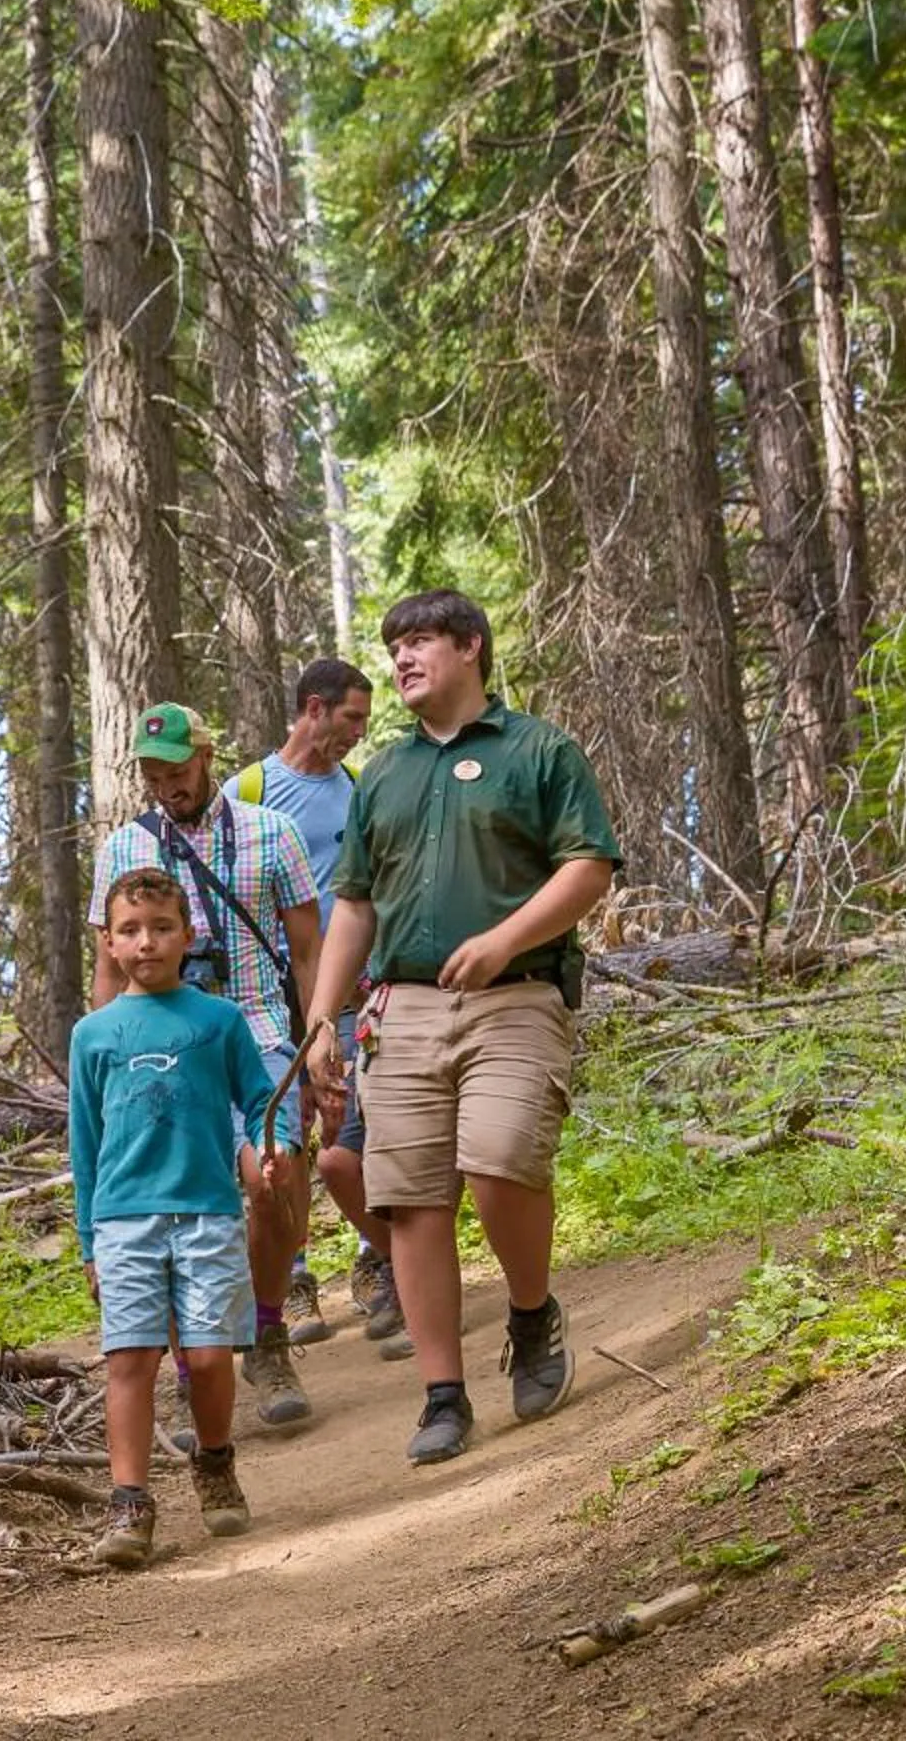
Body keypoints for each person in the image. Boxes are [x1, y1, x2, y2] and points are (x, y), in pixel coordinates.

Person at [300, 591, 620, 1465]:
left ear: (471, 647)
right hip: (401, 1011)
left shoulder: (538, 751)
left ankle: (529, 1311)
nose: (403, 659)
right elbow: (355, 904)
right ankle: (443, 1393)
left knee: (499, 1157)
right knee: (408, 1197)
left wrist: (503, 940)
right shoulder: (387, 777)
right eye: (394, 647)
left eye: (421, 642)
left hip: (518, 994)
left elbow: (589, 866)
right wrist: (322, 1017)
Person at [91, 703, 325, 1427]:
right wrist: (103, 1059)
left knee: (272, 1176)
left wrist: (319, 1038)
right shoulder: (124, 850)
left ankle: (265, 1330)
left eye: (178, 769)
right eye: (153, 774)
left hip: (257, 1036)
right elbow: (106, 968)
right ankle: (199, 1370)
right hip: (163, 1053)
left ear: (206, 754)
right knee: (166, 1207)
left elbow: (309, 950)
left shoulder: (270, 833)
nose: (168, 786)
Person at [69, 867, 287, 1567]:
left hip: (208, 1214)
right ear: (108, 942)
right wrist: (88, 1243)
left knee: (209, 1356)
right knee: (130, 1359)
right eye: (130, 930)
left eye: (162, 928)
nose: (147, 942)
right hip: (124, 1220)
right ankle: (130, 1503)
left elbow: (257, 1099)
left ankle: (215, 1459)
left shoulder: (218, 1022)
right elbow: (85, 1142)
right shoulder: (94, 1035)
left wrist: (268, 1147)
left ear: (189, 936)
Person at [233, 658, 406, 1355]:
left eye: (364, 721)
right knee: (286, 1139)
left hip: (351, 994)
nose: (359, 734)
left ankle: (381, 1261)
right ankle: (294, 1277)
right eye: (351, 719)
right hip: (272, 999)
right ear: (313, 708)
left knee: (354, 1131)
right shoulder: (248, 791)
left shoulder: (361, 789)